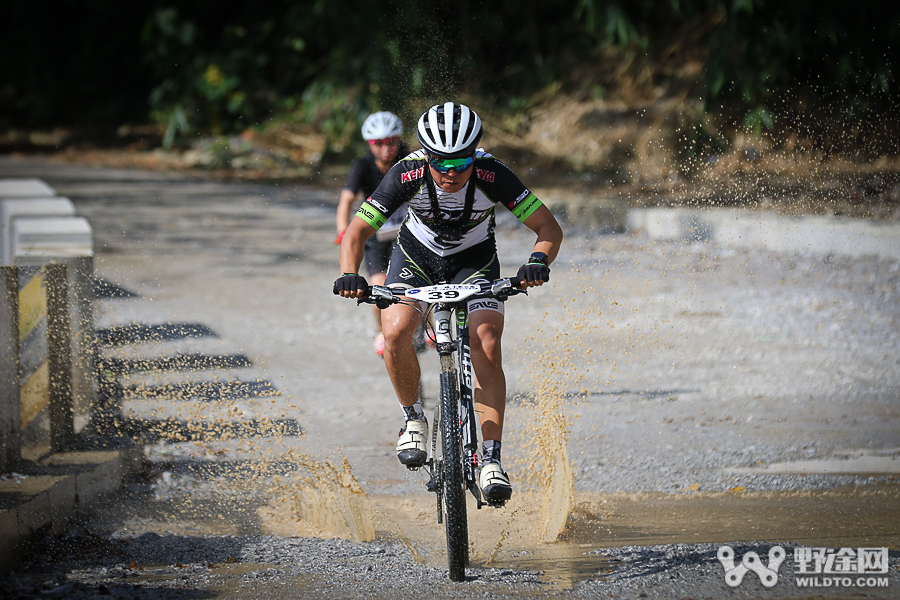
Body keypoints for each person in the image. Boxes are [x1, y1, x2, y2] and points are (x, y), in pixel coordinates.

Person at [334, 102, 563, 502]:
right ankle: (413, 419)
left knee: (487, 344)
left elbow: (547, 227)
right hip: (416, 259)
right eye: (441, 163)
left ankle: (491, 458)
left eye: (461, 161)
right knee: (395, 330)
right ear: (426, 156)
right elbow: (356, 232)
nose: (452, 172)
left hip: (474, 264)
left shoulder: (493, 173)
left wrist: (537, 261)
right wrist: (350, 272)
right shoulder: (406, 171)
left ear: (474, 152)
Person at [335, 111, 408, 356]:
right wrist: (343, 230)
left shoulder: (410, 159)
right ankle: (380, 331)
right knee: (378, 286)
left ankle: (430, 325)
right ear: (370, 144)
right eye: (378, 143)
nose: (386, 148)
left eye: (392, 141)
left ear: (400, 140)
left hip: (407, 233)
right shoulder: (363, 165)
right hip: (376, 235)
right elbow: (347, 199)